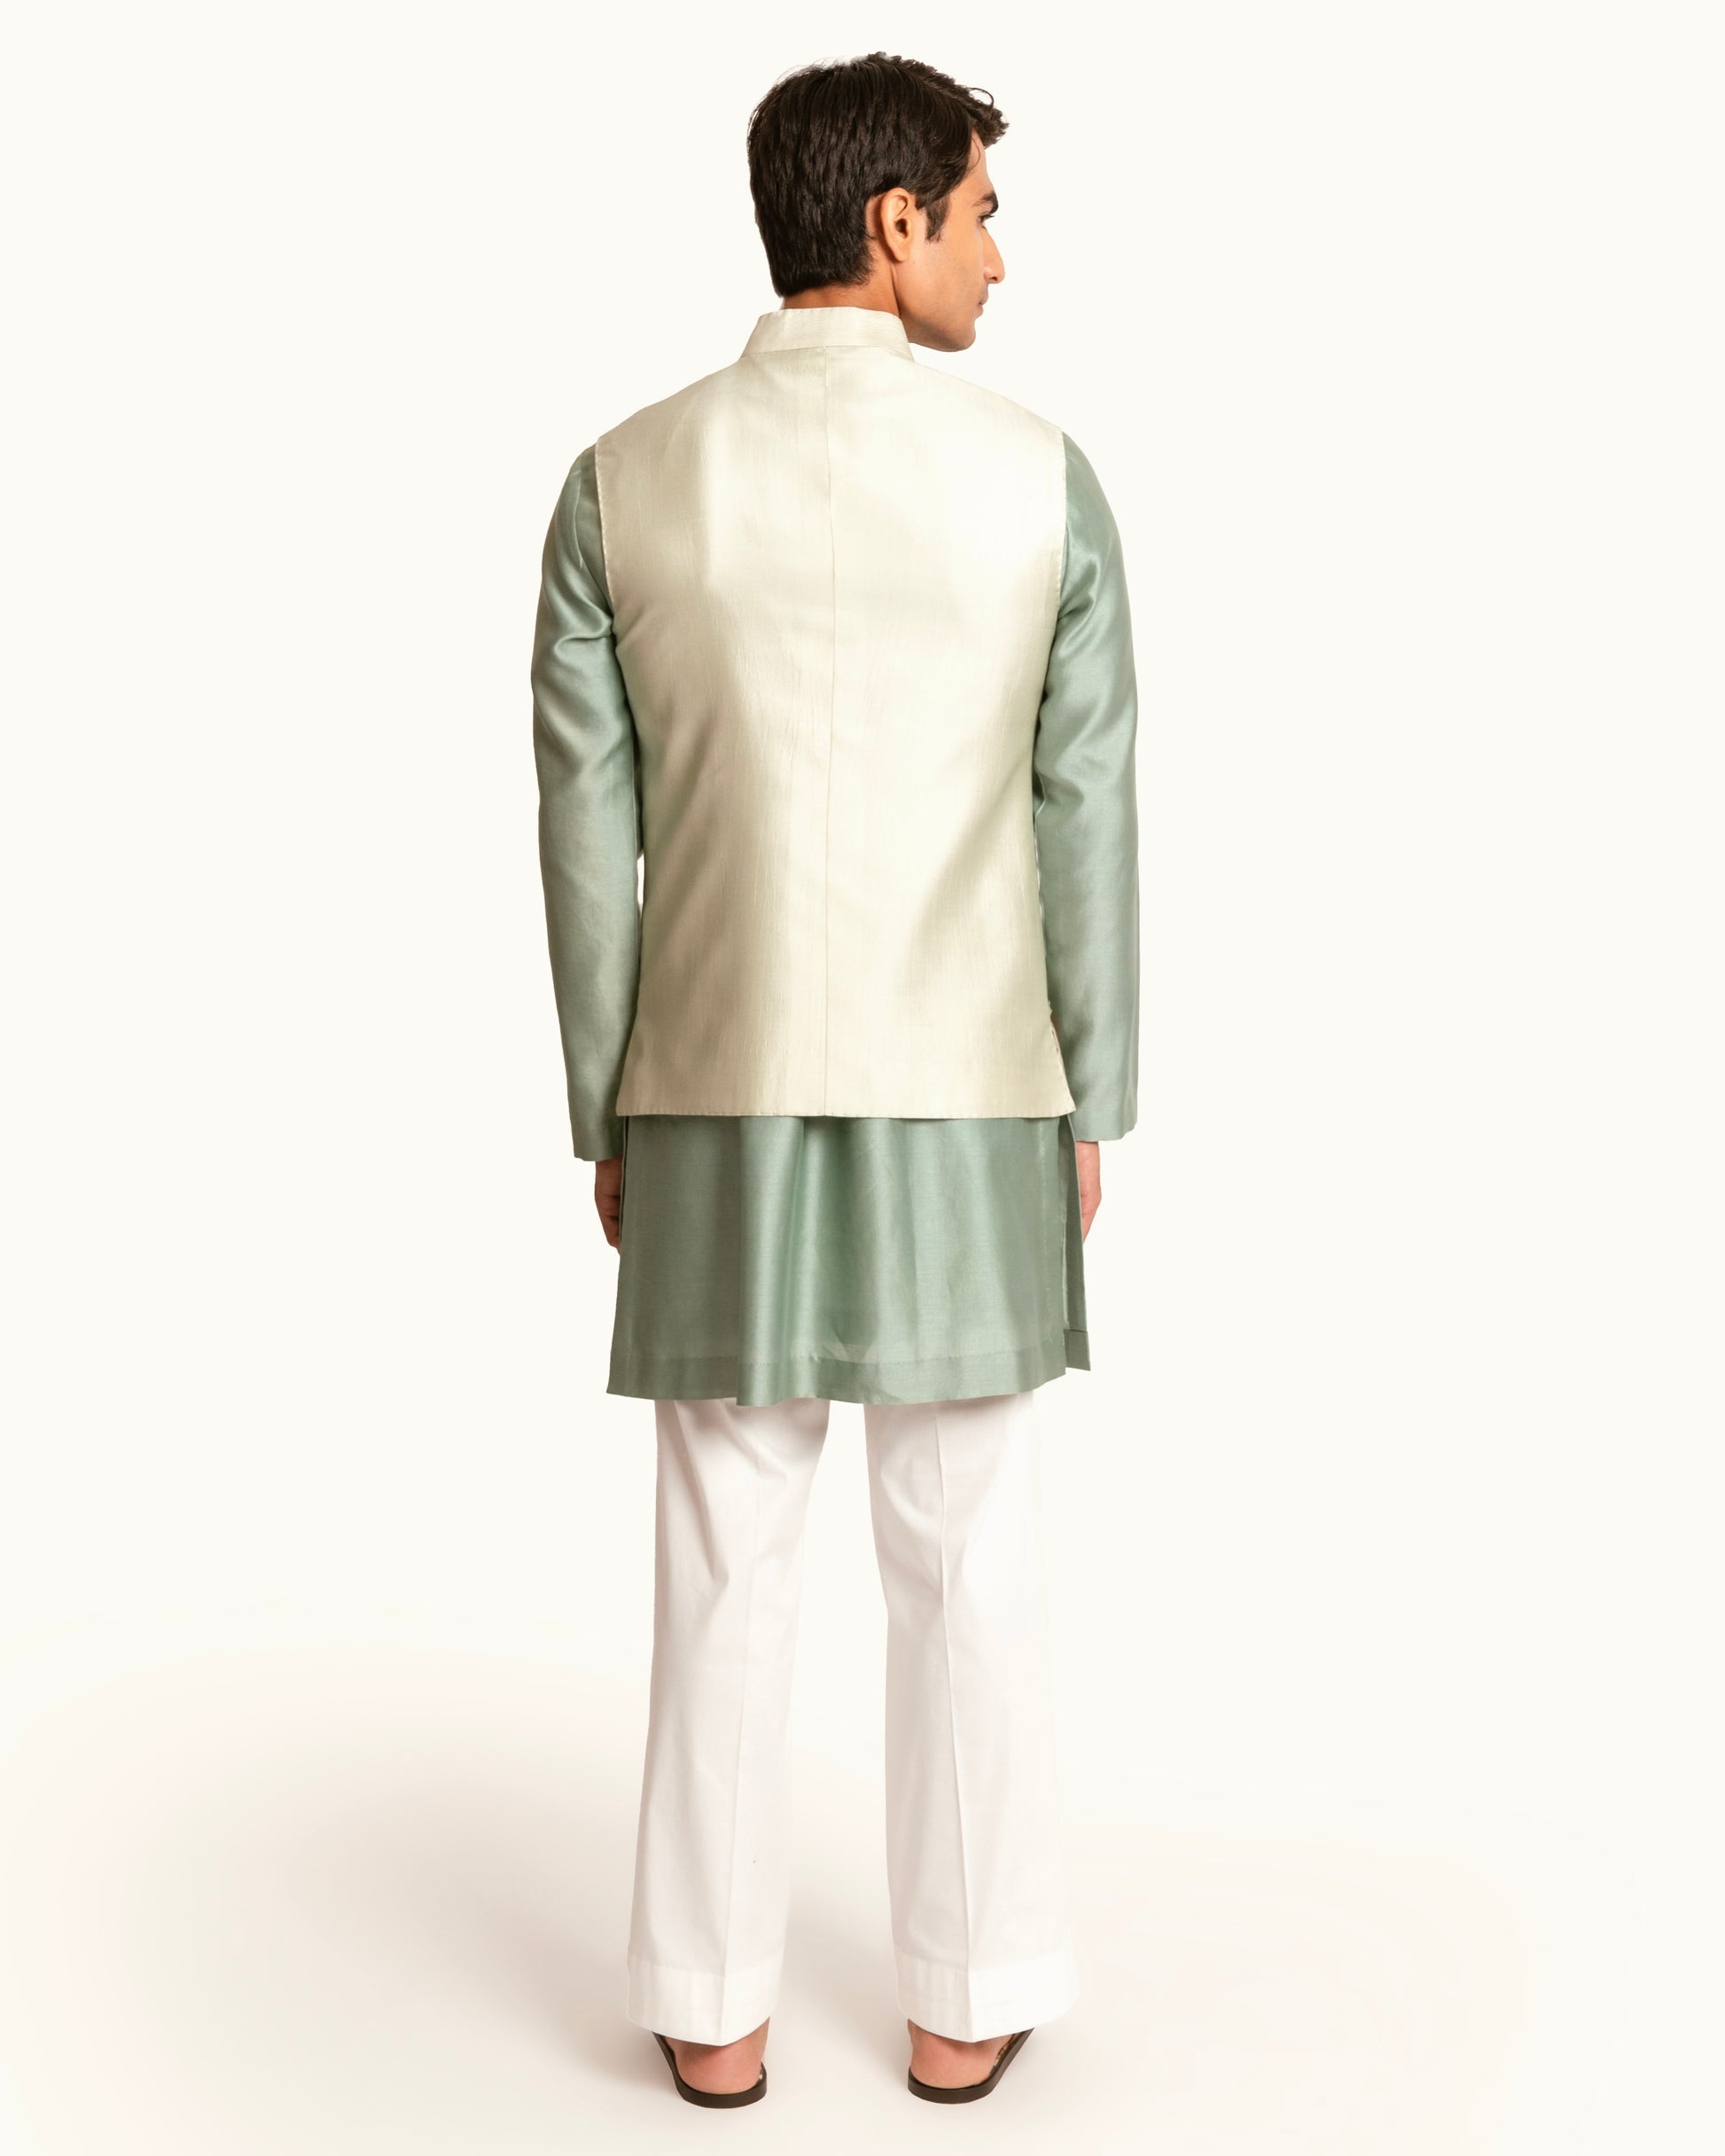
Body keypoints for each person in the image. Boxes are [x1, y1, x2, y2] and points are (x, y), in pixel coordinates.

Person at [530, 51, 1138, 2108]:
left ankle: (710, 2009)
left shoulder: (619, 481)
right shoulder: (1040, 479)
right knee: (967, 1550)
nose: (998, 255)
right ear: (891, 224)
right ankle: (967, 1997)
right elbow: (1082, 808)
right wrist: (1090, 1092)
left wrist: (609, 1102)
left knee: (723, 1547)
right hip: (974, 1083)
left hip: (707, 1077)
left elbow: (586, 826)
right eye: (980, 211)